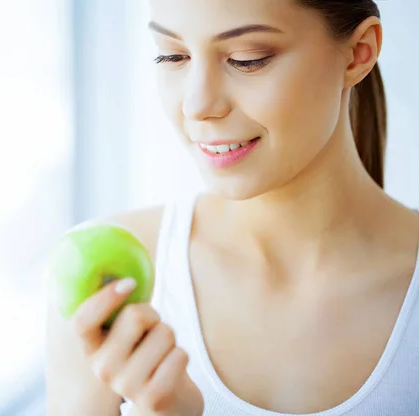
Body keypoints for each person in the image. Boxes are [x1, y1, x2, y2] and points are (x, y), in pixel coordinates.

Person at [45, 0, 419, 415]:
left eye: (247, 59)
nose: (197, 105)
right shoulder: (107, 286)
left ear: (359, 53)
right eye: (173, 55)